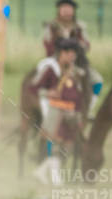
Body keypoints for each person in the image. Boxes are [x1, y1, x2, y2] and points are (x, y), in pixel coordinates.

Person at [32, 37, 87, 185]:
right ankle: (56, 180)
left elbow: (79, 95)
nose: (72, 56)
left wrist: (80, 115)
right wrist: (48, 93)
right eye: (69, 53)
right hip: (56, 112)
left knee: (67, 147)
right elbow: (35, 87)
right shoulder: (51, 69)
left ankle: (41, 171)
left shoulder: (76, 72)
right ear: (62, 53)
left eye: (74, 53)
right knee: (56, 146)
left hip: (72, 114)